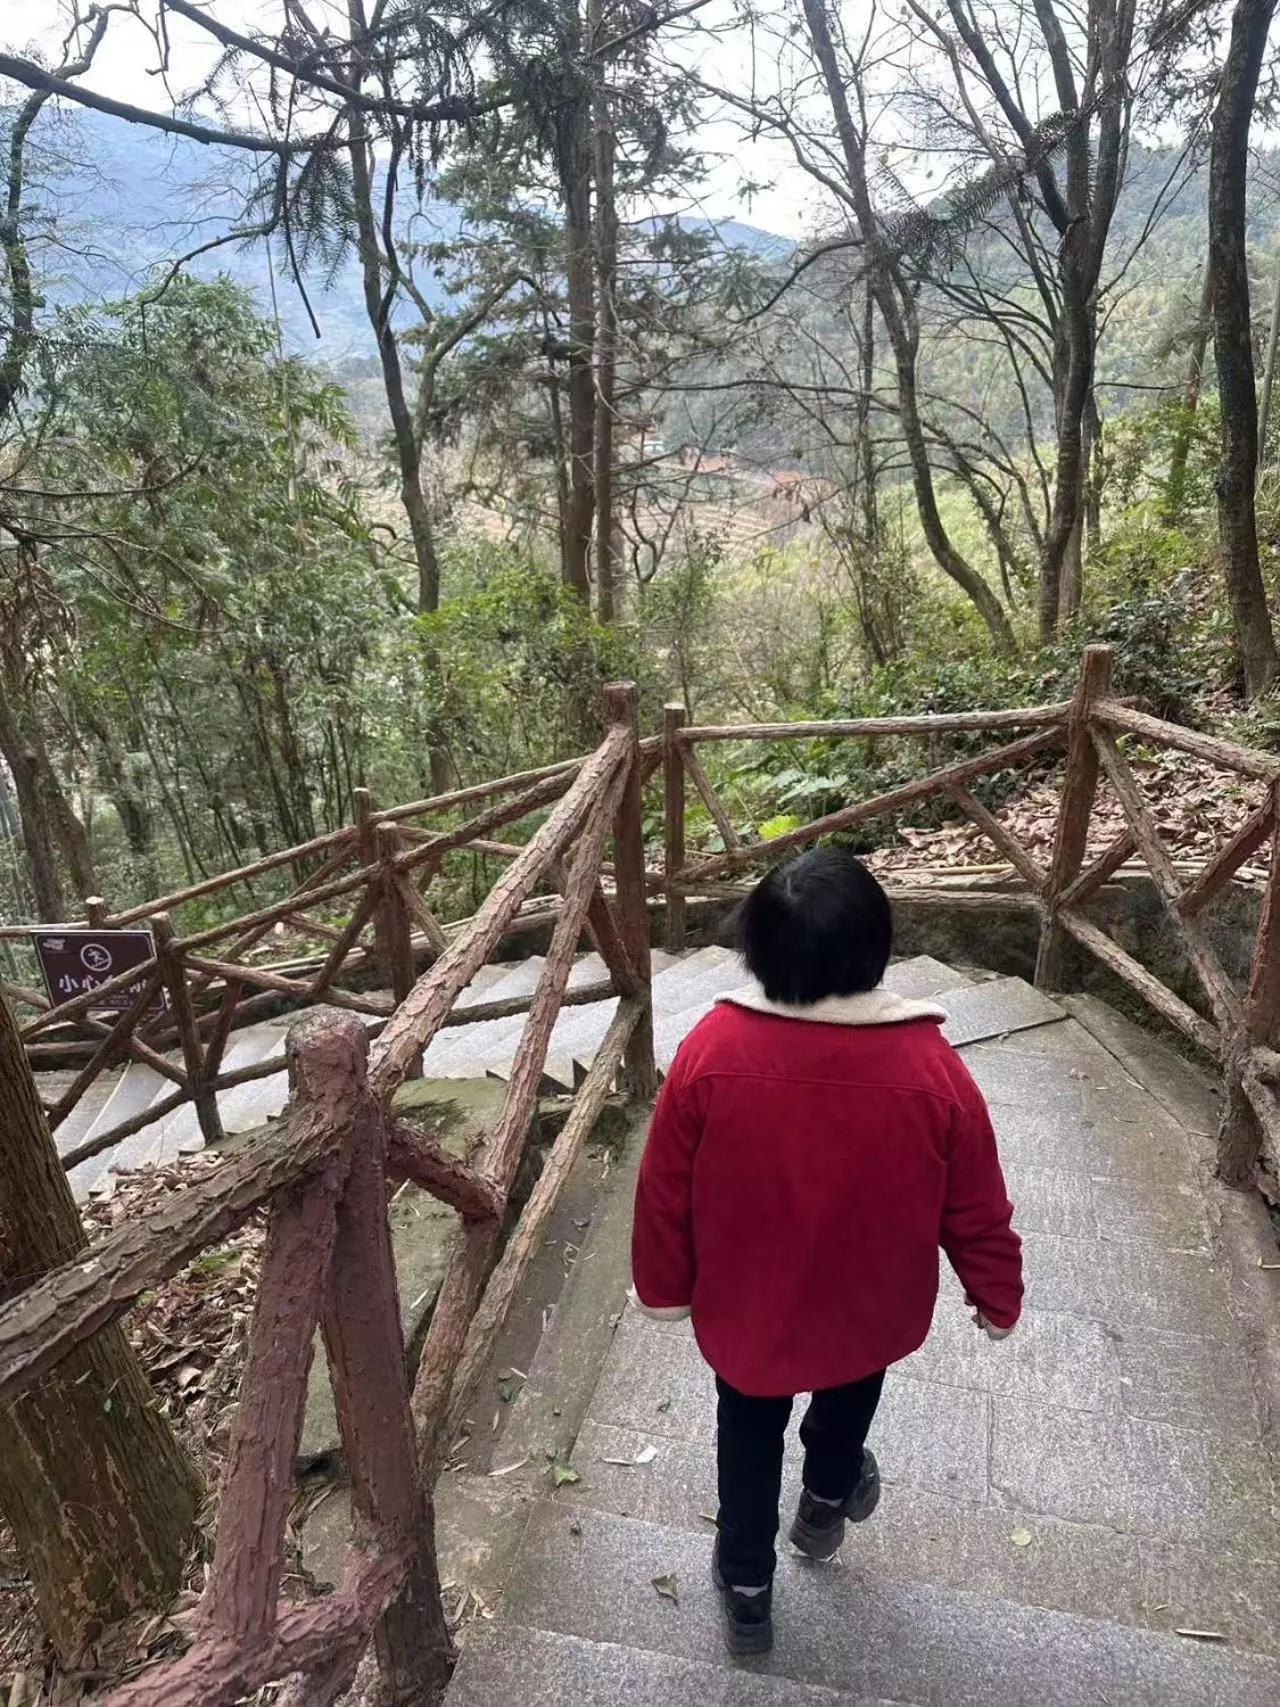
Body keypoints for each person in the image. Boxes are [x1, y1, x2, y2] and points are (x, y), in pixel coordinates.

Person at [630, 847, 1023, 1656]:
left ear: (757, 951)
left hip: (748, 1309)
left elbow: (664, 1186)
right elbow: (975, 1196)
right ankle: (824, 1500)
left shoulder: (709, 1050)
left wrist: (664, 1285)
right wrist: (996, 1288)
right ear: (877, 952)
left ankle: (745, 1583)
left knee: (747, 1429)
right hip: (867, 1304)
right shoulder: (930, 1065)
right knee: (848, 1400)